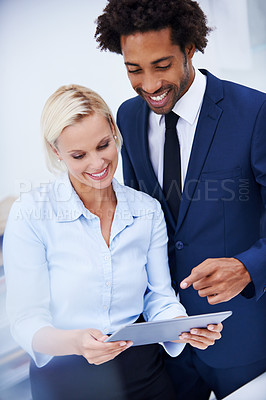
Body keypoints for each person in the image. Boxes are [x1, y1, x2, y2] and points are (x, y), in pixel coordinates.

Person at [3, 84, 222, 400]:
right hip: (65, 375)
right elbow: (26, 320)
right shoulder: (32, 214)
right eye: (78, 155)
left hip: (141, 370)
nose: (96, 164)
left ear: (115, 132)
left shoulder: (146, 211)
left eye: (104, 145)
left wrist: (181, 326)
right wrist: (76, 343)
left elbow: (158, 297)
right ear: (56, 152)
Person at [95, 1, 266, 399]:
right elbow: (141, 216)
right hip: (165, 343)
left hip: (242, 339)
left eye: (161, 65)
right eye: (133, 70)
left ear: (190, 49)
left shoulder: (254, 113)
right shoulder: (129, 117)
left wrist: (247, 266)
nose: (149, 85)